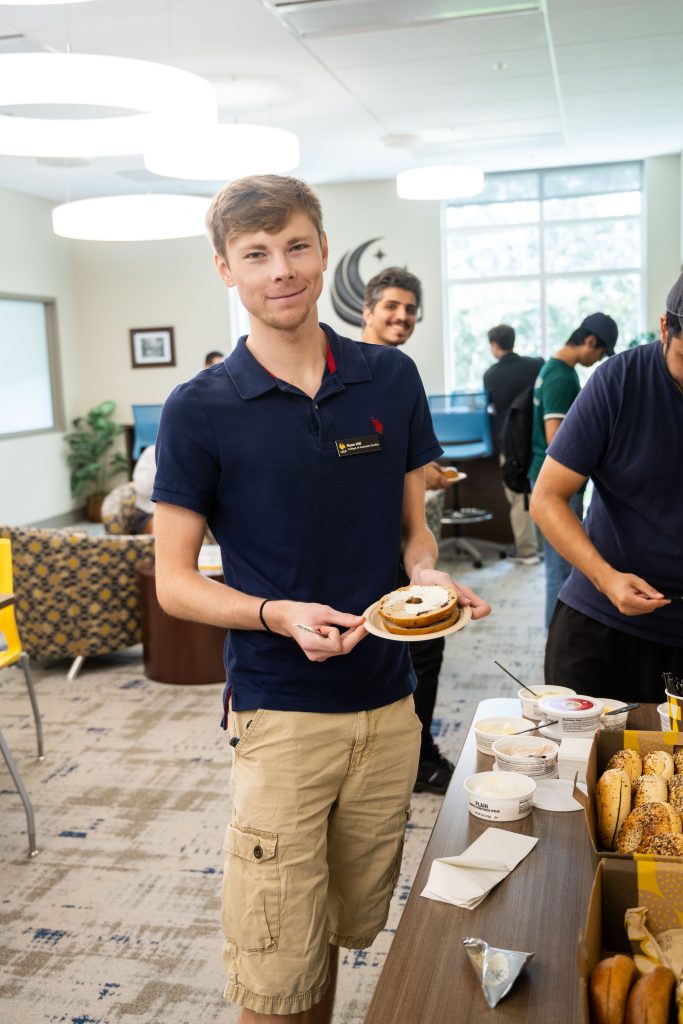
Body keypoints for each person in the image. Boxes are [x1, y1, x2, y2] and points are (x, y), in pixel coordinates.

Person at [151, 174, 491, 1023]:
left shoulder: (387, 377)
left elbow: (412, 527)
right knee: (275, 963)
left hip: (388, 708)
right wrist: (273, 614)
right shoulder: (197, 409)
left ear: (324, 248)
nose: (281, 270)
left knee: (338, 933)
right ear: (225, 269)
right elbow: (176, 583)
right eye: (256, 254)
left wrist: (424, 574)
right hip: (283, 714)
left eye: (296, 245)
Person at [530, 273, 683, 703]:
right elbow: (546, 499)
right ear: (665, 329)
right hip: (601, 623)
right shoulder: (618, 380)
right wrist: (605, 578)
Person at [361, 265, 456, 795]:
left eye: (410, 310)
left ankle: (414, 754)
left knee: (423, 648)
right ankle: (411, 760)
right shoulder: (351, 373)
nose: (401, 317)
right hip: (369, 543)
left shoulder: (401, 372)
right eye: (391, 307)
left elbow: (407, 456)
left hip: (407, 538)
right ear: (367, 311)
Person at [528, 312, 618, 627]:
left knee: (559, 566)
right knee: (562, 568)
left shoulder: (551, 369)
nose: (597, 361)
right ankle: (557, 635)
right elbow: (557, 438)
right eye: (600, 353)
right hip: (557, 486)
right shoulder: (562, 376)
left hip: (542, 476)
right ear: (589, 341)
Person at [483, 323, 543, 566]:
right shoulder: (537, 364)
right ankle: (546, 547)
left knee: (518, 496)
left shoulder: (491, 375)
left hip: (510, 441)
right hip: (538, 438)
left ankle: (527, 552)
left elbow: (492, 407)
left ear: (495, 345)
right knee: (543, 492)